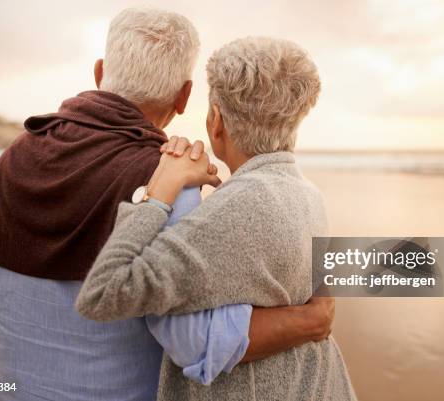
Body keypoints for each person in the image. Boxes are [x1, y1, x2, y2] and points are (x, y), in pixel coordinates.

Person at [0, 8, 335, 401]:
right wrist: (308, 320)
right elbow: (196, 342)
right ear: (185, 96)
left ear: (100, 72)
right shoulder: (167, 183)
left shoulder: (4, 167)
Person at [76, 37, 357, 401]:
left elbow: (103, 293)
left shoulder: (236, 210)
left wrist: (159, 193)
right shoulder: (310, 196)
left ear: (215, 120)